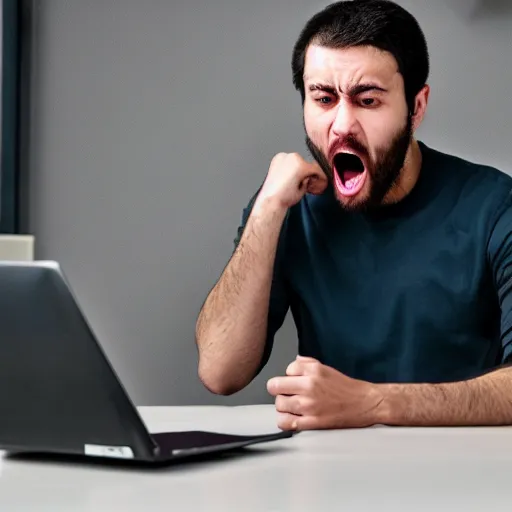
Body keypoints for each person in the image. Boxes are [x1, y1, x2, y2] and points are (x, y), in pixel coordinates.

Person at [195, 0, 512, 431]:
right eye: (323, 99)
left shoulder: (495, 206)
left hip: (460, 478)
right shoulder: (287, 207)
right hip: (328, 480)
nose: (342, 124)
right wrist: (267, 211)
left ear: (416, 107)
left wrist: (375, 403)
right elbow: (219, 370)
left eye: (367, 100)